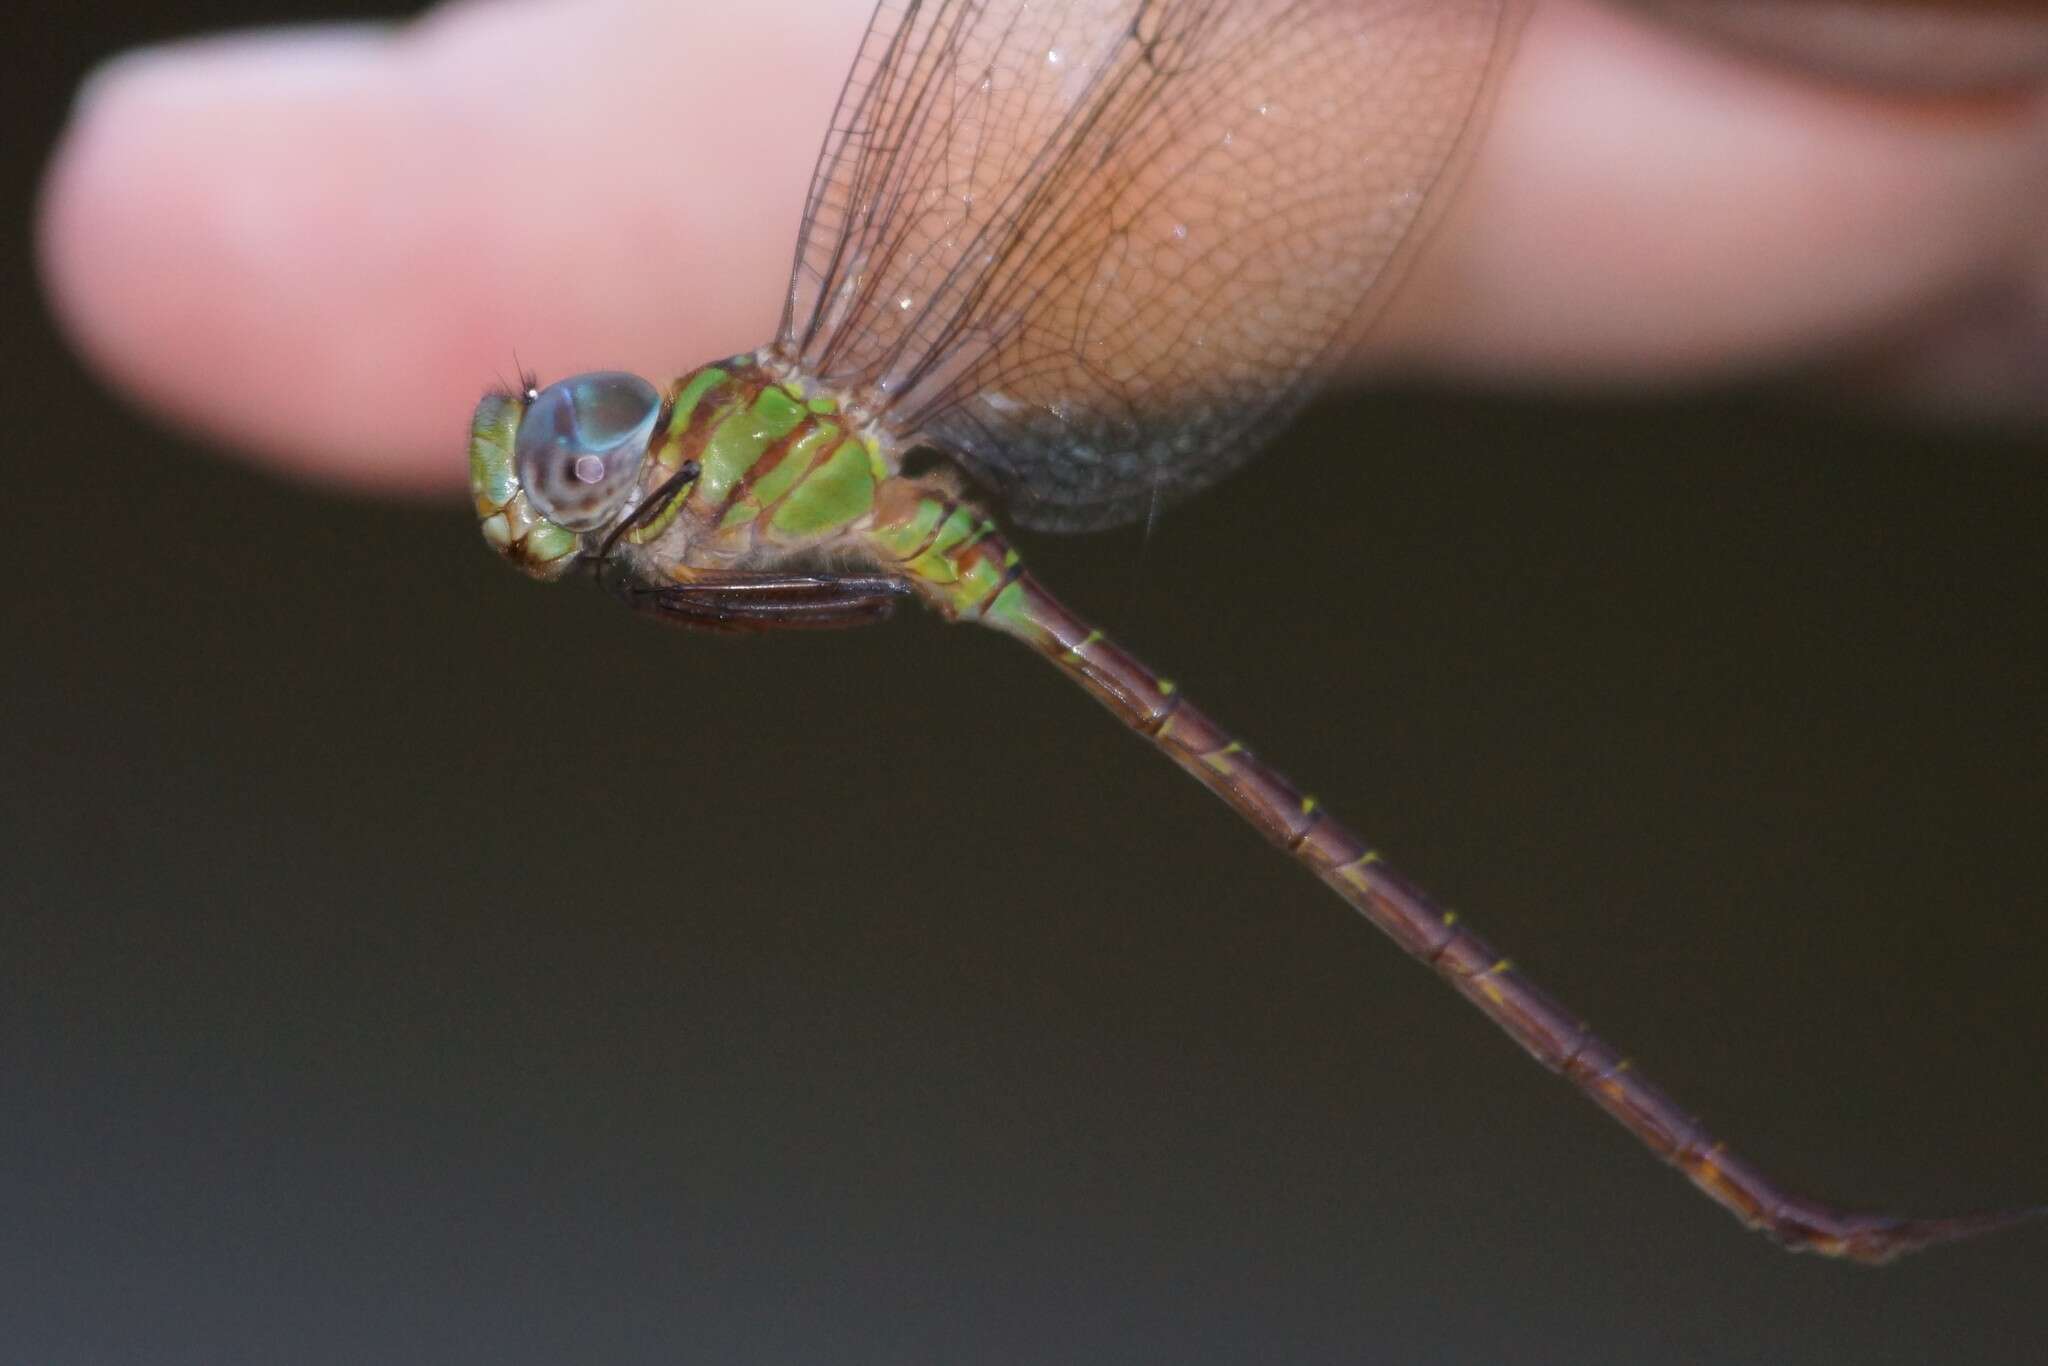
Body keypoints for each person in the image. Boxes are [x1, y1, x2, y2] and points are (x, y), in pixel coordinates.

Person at [36, 0, 2047, 494]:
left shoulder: (769, 437)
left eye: (584, 437)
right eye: (567, 442)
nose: (572, 452)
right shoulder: (761, 458)